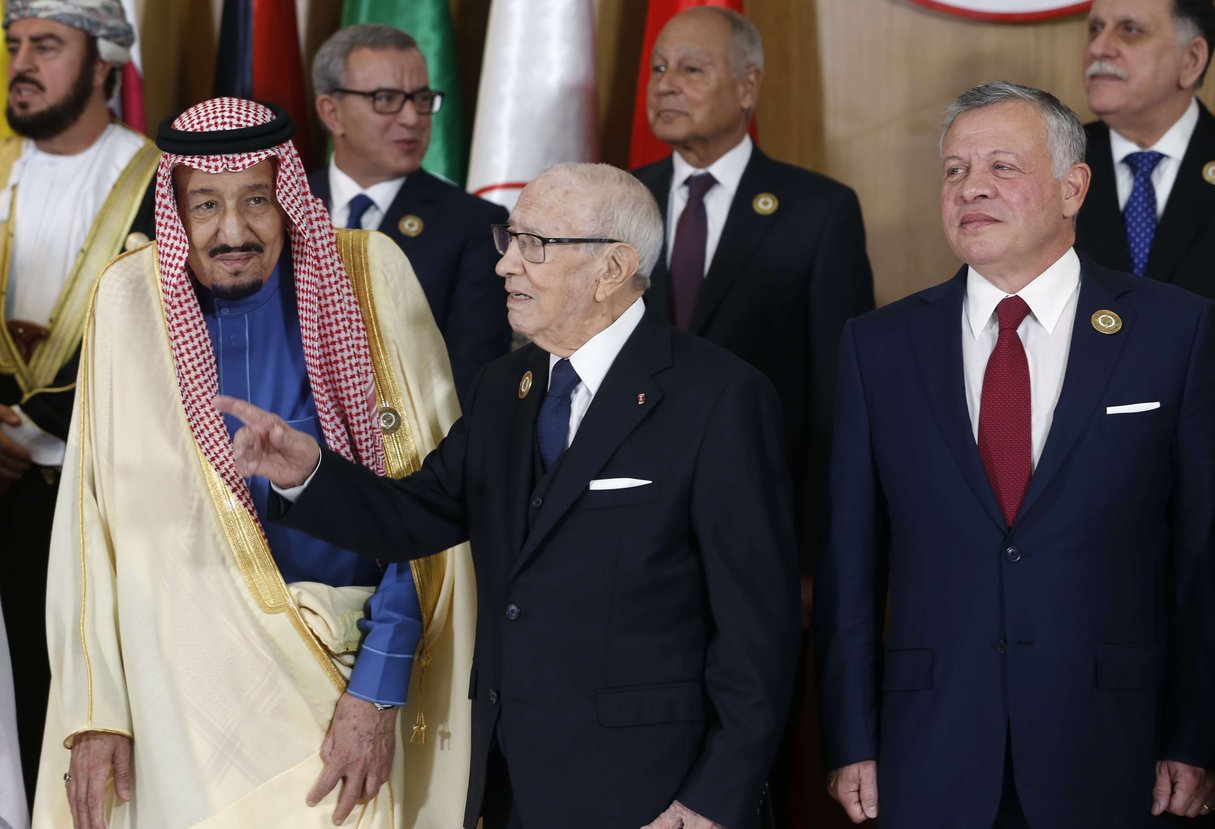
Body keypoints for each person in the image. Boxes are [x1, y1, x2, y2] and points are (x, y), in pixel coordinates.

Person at [218, 161, 802, 829]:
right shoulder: (504, 387)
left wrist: (713, 799)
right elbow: (413, 516)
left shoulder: (718, 397)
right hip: (512, 784)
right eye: (509, 239)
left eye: (535, 245)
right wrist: (307, 471)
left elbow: (759, 628)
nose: (506, 266)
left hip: (654, 793)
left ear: (612, 267)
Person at [33, 97, 474, 829]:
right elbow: (89, 518)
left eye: (256, 201)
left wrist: (380, 686)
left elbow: (426, 512)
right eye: (204, 204)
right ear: (173, 208)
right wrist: (96, 708)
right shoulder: (126, 300)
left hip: (336, 688)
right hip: (175, 701)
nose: (231, 231)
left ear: (289, 201)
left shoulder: (368, 277)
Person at [816, 81, 1215, 828]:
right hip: (928, 746)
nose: (971, 187)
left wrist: (1194, 733)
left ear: (1072, 188)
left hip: (1115, 746)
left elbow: (1202, 554)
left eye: (1002, 166)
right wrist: (850, 737)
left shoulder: (1175, 332)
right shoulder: (877, 346)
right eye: (954, 170)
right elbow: (849, 561)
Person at [0, 0, 156, 807]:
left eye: (46, 46)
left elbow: (165, 344)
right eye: (14, 43)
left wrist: (25, 431)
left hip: (88, 501)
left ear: (103, 64)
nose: (22, 62)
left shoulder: (164, 182)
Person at [310, 23, 509, 404]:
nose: (412, 118)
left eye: (420, 98)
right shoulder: (282, 207)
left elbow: (472, 377)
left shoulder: (471, 224)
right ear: (331, 113)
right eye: (386, 98)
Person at [1076, 0, 1215, 299]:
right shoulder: (1053, 161)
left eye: (1130, 30)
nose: (1098, 48)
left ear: (1191, 59)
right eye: (1096, 29)